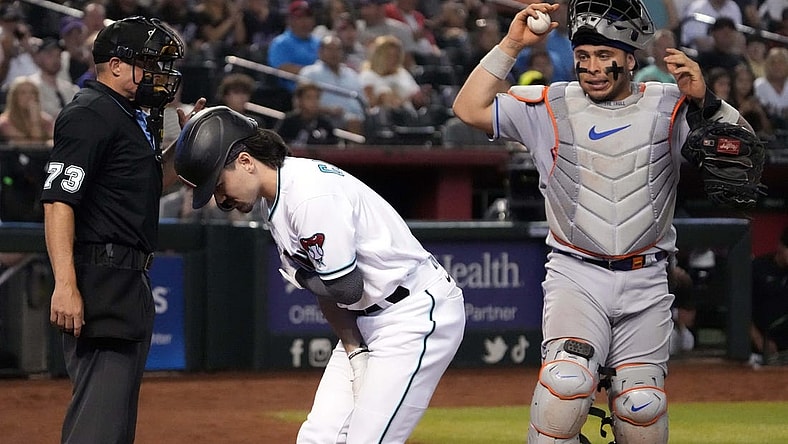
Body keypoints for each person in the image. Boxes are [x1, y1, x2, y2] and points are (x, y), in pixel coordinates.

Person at [452, 0, 760, 441]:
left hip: (647, 278)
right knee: (565, 385)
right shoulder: (548, 105)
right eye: (582, 56)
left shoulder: (672, 105)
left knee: (642, 407)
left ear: (630, 58)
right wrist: (513, 42)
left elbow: (743, 152)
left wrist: (707, 101)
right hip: (576, 274)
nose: (592, 68)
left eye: (604, 56)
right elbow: (468, 108)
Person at [173, 106, 466, 443]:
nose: (221, 198)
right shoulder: (275, 199)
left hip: (413, 314)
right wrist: (354, 351)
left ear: (245, 161)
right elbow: (328, 290)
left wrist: (299, 279)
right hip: (367, 322)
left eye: (219, 184)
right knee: (318, 436)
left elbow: (346, 288)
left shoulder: (309, 196)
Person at [39, 17, 204, 443]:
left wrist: (182, 147)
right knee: (98, 423)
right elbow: (59, 201)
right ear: (114, 65)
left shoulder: (127, 115)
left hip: (128, 280)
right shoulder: (89, 113)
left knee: (115, 426)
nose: (161, 75)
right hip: (100, 279)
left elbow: (148, 184)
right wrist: (65, 285)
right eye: (151, 64)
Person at [299, 34, 366, 135]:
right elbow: (301, 103)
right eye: (330, 49)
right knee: (353, 122)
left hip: (359, 118)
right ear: (320, 52)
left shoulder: (352, 74)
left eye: (338, 49)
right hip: (325, 117)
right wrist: (329, 110)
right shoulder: (309, 73)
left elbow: (363, 100)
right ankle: (355, 150)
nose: (334, 53)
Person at [750, 226, 788, 366]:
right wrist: (759, 341)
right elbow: (741, 310)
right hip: (756, 349)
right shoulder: (758, 268)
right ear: (781, 246)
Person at [27, 38, 80, 119]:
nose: (55, 59)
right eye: (50, 55)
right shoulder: (31, 85)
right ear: (38, 57)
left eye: (58, 55)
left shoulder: (69, 87)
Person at [274, 82, 339, 147]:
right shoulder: (288, 121)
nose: (314, 101)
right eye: (309, 97)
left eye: (317, 97)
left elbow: (334, 148)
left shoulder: (325, 124)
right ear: (299, 100)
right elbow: (278, 145)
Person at [0, 76, 54, 144]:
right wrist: (35, 122)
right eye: (23, 93)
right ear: (14, 97)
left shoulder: (46, 120)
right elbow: (32, 147)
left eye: (32, 92)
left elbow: (56, 142)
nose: (29, 96)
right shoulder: (4, 122)